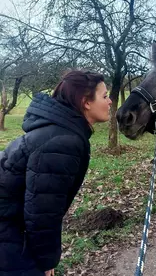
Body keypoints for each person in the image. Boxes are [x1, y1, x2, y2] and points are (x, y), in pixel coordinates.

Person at [0, 70, 112, 276]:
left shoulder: (62, 131)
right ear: (86, 102)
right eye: (105, 96)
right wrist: (45, 261)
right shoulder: (64, 142)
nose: (110, 101)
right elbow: (42, 211)